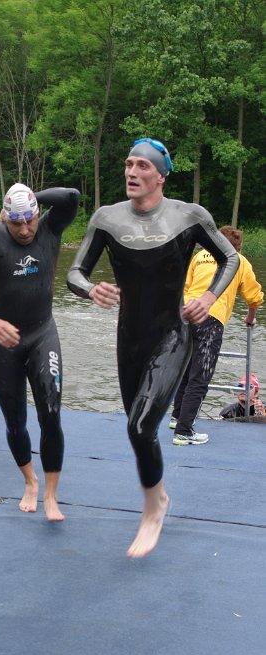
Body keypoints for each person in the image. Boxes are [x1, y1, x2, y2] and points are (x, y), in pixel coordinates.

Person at [67, 137, 239, 558]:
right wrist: (90, 290)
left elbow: (230, 258)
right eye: (129, 164)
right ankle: (157, 495)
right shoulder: (107, 218)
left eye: (142, 166)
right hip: (129, 338)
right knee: (137, 427)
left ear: (161, 176)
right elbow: (75, 272)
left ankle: (153, 508)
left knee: (140, 427)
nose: (132, 172)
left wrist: (208, 297)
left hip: (173, 335)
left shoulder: (189, 215)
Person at [0, 183, 80, 522]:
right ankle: (30, 481)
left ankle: (51, 495)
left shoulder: (50, 228)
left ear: (38, 215)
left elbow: (71, 197)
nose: (25, 230)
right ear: (3, 218)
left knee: (50, 414)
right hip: (5, 341)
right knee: (15, 422)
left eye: (30, 220)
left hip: (42, 333)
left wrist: (29, 199)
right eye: (16, 222)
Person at [170, 226, 263, 444]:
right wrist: (250, 318)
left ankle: (177, 417)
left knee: (186, 368)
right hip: (210, 318)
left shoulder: (200, 256)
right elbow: (254, 297)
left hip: (185, 314)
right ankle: (184, 431)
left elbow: (185, 286)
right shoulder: (238, 261)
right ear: (237, 247)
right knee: (200, 376)